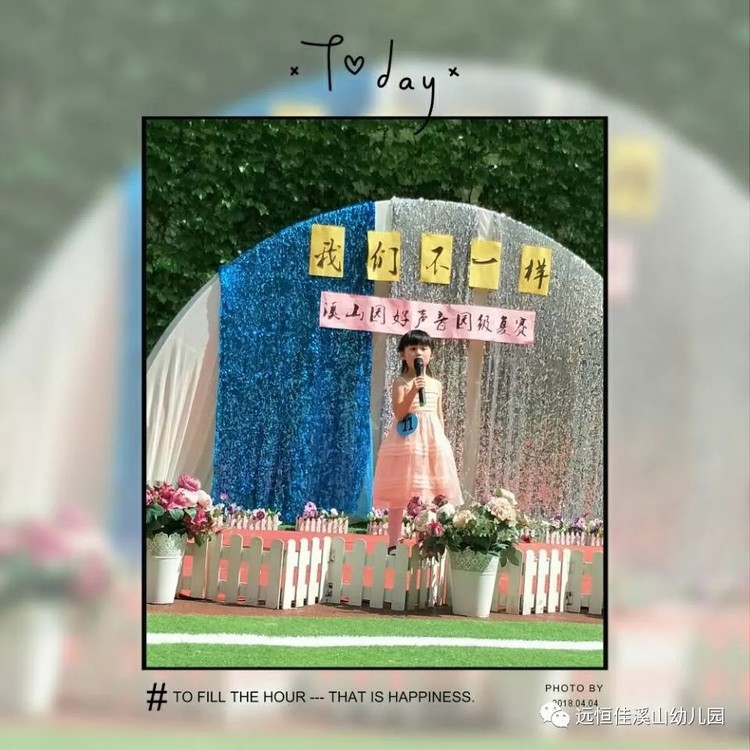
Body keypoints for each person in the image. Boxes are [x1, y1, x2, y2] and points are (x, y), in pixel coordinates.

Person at [372, 329, 463, 553]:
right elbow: (399, 413)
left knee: (432, 492)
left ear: (431, 353)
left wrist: (442, 442)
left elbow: (439, 415)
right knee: (399, 493)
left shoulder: (436, 384)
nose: (418, 353)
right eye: (412, 348)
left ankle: (430, 542)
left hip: (431, 441)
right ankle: (393, 544)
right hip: (407, 442)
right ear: (402, 354)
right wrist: (413, 391)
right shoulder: (400, 382)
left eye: (423, 348)